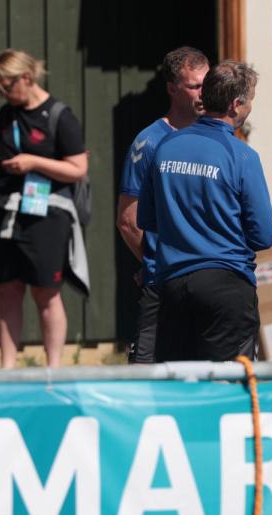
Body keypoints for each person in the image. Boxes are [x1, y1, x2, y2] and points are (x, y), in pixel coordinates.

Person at [137, 60, 272, 362]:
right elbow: (264, 235)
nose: (250, 108)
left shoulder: (164, 147)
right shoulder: (242, 156)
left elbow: (146, 220)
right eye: (250, 101)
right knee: (229, 391)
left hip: (172, 285)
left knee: (180, 388)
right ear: (236, 104)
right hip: (225, 286)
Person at [0, 49, 88, 369]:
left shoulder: (59, 116)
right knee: (7, 289)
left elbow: (78, 168)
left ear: (26, 78)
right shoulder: (6, 115)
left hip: (47, 212)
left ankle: (53, 369)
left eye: (6, 87)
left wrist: (34, 162)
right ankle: (8, 369)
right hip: (8, 209)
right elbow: (3, 156)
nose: (4, 94)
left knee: (45, 292)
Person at [117, 47, 209, 364]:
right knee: (146, 373)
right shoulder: (150, 142)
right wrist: (155, 263)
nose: (203, 93)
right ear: (172, 88)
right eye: (194, 86)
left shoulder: (218, 137)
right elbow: (128, 219)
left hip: (207, 282)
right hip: (164, 285)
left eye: (206, 84)